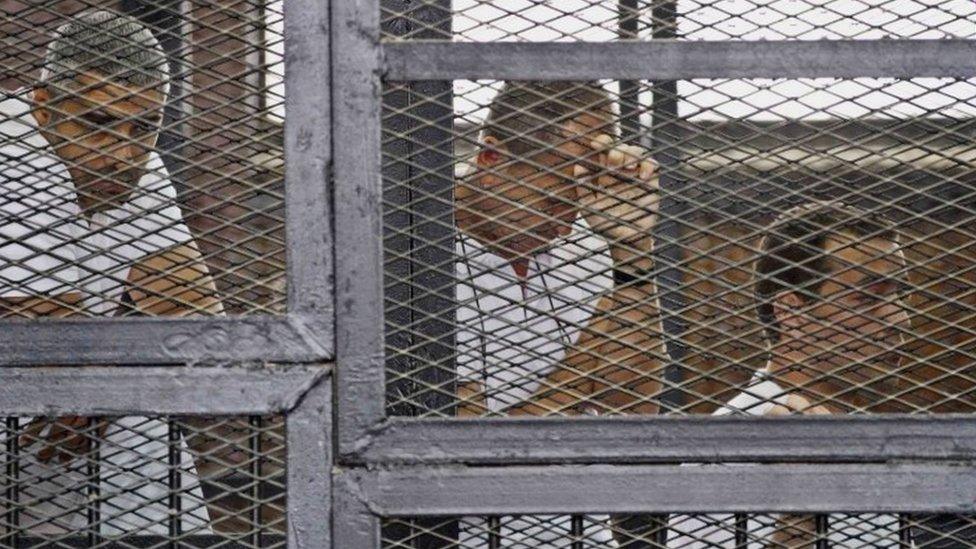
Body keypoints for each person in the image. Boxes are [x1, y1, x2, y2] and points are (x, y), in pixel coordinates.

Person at [0, 10, 223, 536]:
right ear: (44, 107)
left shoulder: (129, 162)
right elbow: (49, 354)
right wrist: (129, 342)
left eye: (146, 127)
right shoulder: (11, 150)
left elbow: (200, 319)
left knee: (147, 429)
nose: (124, 154)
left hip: (86, 436)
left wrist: (107, 382)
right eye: (98, 124)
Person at [454, 81, 665, 547]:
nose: (572, 218)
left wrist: (631, 250)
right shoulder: (413, 253)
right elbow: (482, 460)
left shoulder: (587, 244)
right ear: (491, 159)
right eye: (555, 198)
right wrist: (585, 366)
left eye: (583, 194)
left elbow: (634, 404)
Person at [667, 202, 912, 548]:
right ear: (793, 314)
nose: (900, 320)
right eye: (870, 297)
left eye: (901, 295)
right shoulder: (729, 450)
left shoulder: (868, 442)